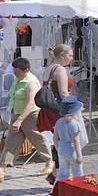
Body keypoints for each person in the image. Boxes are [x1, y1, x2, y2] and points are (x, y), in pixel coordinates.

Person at [0, 57, 47, 181]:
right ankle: (1, 169)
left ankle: (50, 162)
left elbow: (31, 103)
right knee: (11, 142)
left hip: (29, 116)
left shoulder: (31, 82)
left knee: (37, 139)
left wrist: (20, 120)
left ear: (26, 70)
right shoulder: (18, 80)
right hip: (16, 114)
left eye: (17, 71)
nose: (14, 73)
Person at [36, 45, 74, 176]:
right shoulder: (60, 70)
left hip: (49, 110)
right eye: (70, 55)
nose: (71, 58)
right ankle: (59, 173)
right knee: (64, 142)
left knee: (56, 141)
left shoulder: (49, 68)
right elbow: (63, 93)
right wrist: (72, 108)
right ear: (62, 55)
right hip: (58, 111)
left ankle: (55, 172)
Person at [53, 97, 88, 180]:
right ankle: (77, 187)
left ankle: (59, 186)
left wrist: (58, 149)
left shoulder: (58, 122)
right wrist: (79, 155)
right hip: (72, 151)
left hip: (62, 150)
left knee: (62, 173)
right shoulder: (75, 124)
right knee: (77, 174)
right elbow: (75, 141)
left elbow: (55, 138)